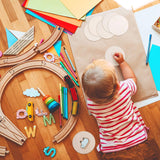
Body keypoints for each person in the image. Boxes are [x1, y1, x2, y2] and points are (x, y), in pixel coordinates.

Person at [81, 52, 148, 153]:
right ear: (117, 86)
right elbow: (132, 79)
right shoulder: (124, 89)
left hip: (110, 145)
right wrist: (122, 62)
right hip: (137, 136)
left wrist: (96, 72)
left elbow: (96, 88)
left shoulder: (91, 105)